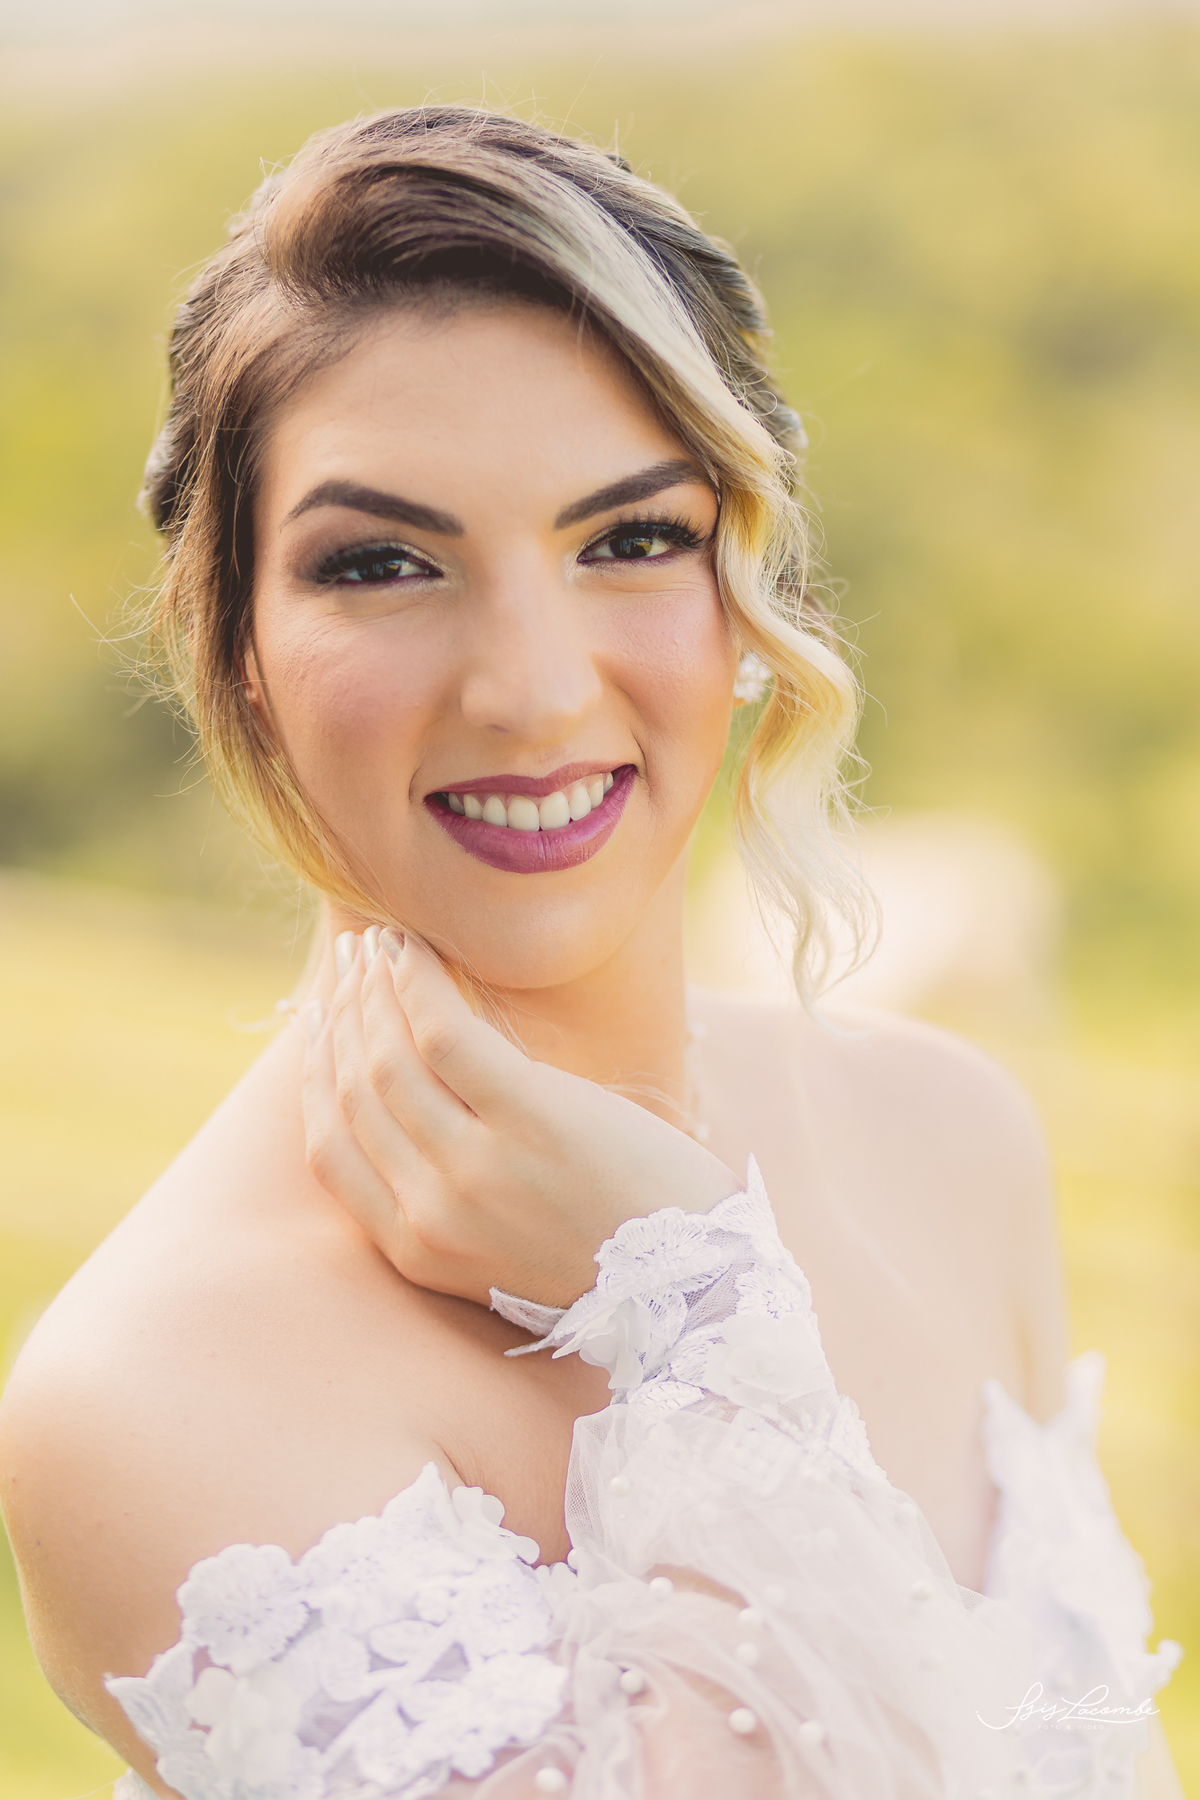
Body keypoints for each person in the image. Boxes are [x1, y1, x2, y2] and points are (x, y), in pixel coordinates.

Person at [0, 106, 1182, 1799]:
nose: (536, 690)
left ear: (745, 588)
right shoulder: (154, 1394)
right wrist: (697, 1318)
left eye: (629, 539)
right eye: (385, 563)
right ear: (235, 640)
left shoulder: (950, 1136)